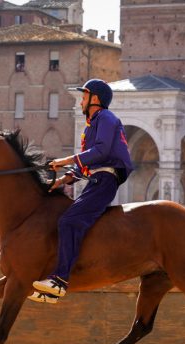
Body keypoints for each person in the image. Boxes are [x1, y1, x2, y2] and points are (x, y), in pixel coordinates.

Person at [30, 79, 133, 301]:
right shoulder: (95, 122)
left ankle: (59, 281)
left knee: (68, 221)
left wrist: (65, 159)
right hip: (98, 179)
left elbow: (102, 152)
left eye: (84, 97)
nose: (81, 101)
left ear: (95, 99)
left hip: (105, 180)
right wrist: (61, 181)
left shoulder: (105, 117)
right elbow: (86, 165)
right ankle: (54, 287)